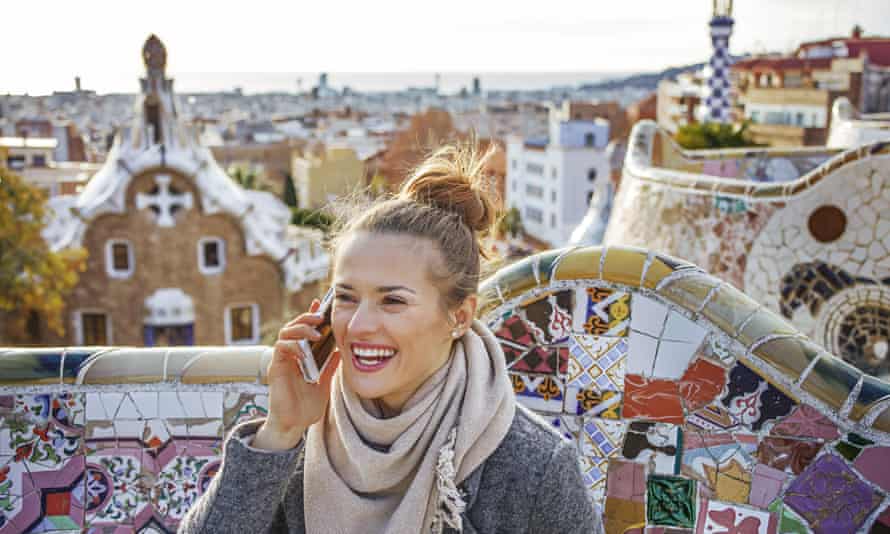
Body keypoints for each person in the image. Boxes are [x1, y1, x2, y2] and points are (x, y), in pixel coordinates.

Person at [179, 142, 602, 534]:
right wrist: (280, 431)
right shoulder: (300, 438)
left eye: (392, 301)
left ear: (459, 316)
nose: (359, 325)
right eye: (346, 297)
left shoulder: (531, 469)